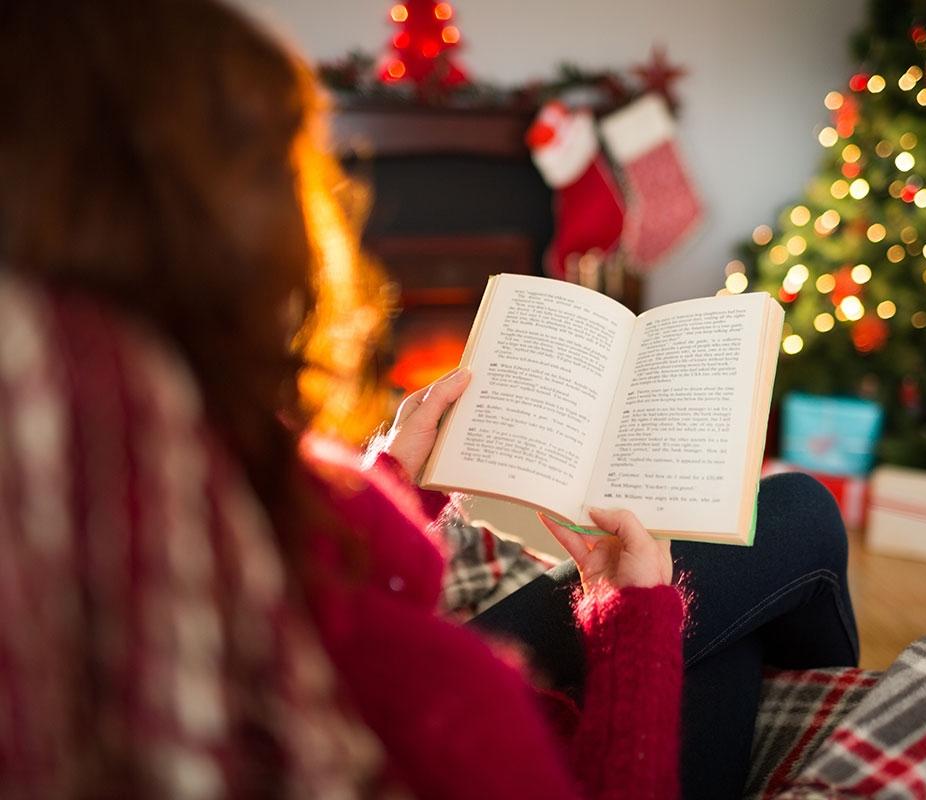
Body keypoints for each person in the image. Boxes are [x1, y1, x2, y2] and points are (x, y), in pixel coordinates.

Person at [0, 1, 857, 798]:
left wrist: (395, 483)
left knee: (756, 570)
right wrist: (631, 622)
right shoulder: (441, 707)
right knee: (797, 516)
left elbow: (295, 570)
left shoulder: (79, 446)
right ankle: (833, 728)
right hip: (534, 734)